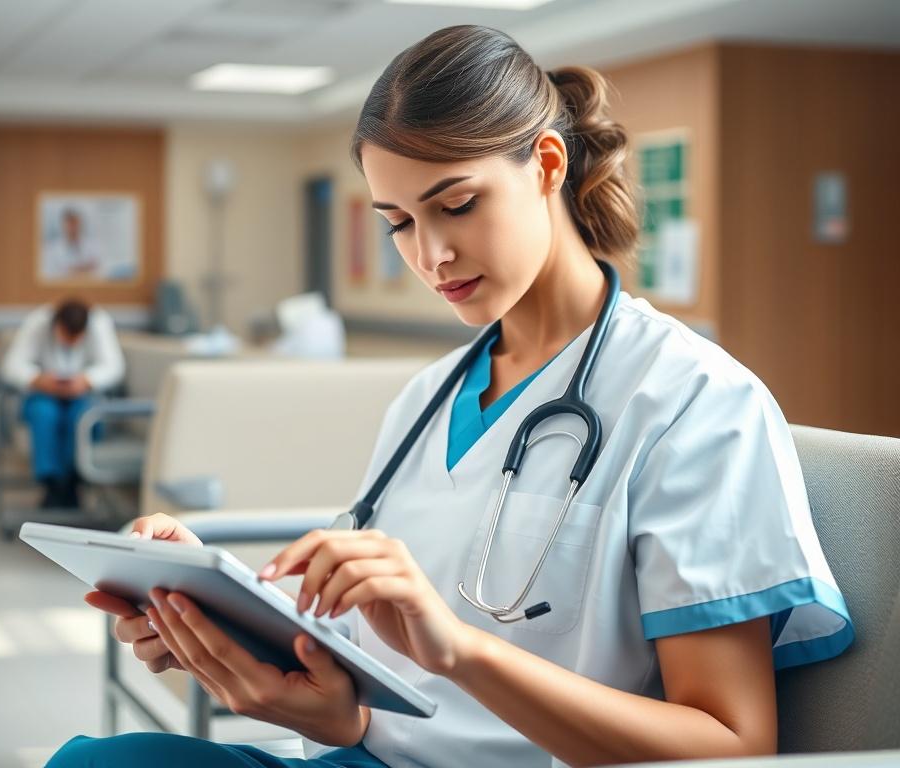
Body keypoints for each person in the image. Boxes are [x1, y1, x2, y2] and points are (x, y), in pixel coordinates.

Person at [49, 25, 853, 768]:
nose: (431, 254)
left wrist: (462, 651)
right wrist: (226, 624)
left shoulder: (694, 400)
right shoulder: (429, 399)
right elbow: (374, 696)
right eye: (398, 222)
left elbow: (730, 747)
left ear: (545, 165)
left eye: (457, 204)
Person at [1, 299, 124, 509]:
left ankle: (73, 480)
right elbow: (11, 365)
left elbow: (114, 366)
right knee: (44, 413)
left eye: (77, 337)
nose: (71, 343)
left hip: (83, 395)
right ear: (55, 325)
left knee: (82, 415)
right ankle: (53, 484)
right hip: (44, 393)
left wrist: (87, 380)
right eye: (66, 335)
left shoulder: (99, 323)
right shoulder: (37, 322)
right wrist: (38, 379)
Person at [42, 209, 102, 279]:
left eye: (75, 224)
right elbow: (51, 274)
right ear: (63, 226)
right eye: (70, 225)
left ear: (80, 225)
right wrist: (82, 268)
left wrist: (71, 269)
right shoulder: (52, 248)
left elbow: (97, 267)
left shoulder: (93, 244)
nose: (73, 228)